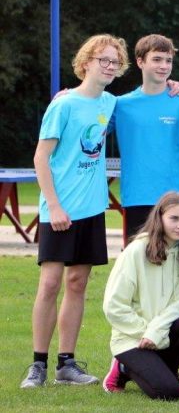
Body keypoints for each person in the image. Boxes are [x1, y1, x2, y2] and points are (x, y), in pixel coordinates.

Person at [22, 34, 127, 388]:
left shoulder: (111, 102)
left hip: (92, 209)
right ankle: (38, 364)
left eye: (115, 62)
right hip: (59, 209)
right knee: (50, 283)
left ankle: (66, 364)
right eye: (104, 60)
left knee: (78, 283)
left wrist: (172, 85)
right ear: (86, 63)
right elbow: (41, 157)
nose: (110, 66)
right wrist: (53, 206)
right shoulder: (63, 105)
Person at [101, 192, 179, 399]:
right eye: (174, 218)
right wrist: (145, 332)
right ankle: (122, 367)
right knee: (167, 393)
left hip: (159, 333)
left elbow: (176, 305)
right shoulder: (136, 251)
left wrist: (155, 333)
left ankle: (168, 369)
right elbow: (113, 306)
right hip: (131, 338)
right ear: (159, 218)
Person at [113, 34, 179, 239]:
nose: (164, 66)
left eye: (168, 60)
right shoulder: (120, 105)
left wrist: (170, 162)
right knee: (139, 263)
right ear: (140, 61)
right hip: (136, 196)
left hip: (175, 199)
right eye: (157, 59)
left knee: (175, 263)